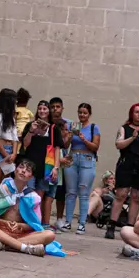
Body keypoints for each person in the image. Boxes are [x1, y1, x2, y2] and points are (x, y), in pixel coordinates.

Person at [0, 159, 60, 256]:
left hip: (19, 234)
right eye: (21, 167)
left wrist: (21, 226)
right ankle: (23, 247)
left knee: (50, 234)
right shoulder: (4, 188)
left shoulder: (33, 197)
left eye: (28, 170)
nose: (23, 171)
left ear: (31, 177)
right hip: (0, 230)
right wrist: (3, 222)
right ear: (15, 170)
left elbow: (35, 224)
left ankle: (8, 245)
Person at [106, 103, 139, 239]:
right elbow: (118, 144)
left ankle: (130, 226)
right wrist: (133, 138)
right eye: (136, 112)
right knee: (121, 195)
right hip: (126, 164)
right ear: (132, 114)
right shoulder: (124, 128)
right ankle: (111, 225)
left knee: (136, 197)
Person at [20, 101, 63, 227]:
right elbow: (25, 144)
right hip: (30, 166)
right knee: (28, 195)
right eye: (40, 108)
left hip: (46, 167)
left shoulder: (54, 129)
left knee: (39, 197)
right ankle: (25, 221)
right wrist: (31, 131)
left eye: (45, 108)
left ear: (48, 111)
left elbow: (57, 149)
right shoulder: (30, 125)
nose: (42, 111)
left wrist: (56, 167)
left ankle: (35, 223)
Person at [64, 103, 100, 234]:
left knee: (84, 193)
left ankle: (82, 224)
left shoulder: (93, 128)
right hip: (72, 157)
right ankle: (67, 222)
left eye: (85, 113)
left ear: (89, 114)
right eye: (80, 112)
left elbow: (95, 147)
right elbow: (65, 145)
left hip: (87, 159)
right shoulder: (72, 126)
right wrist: (68, 137)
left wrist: (83, 139)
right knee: (70, 192)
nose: (82, 115)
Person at [48, 97, 73, 231]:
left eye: (58, 106)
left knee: (61, 192)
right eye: (53, 107)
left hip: (63, 161)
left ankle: (59, 219)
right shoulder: (47, 123)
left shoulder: (68, 123)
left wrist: (68, 138)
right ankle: (44, 218)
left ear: (62, 108)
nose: (55, 109)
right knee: (48, 191)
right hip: (51, 160)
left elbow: (65, 145)